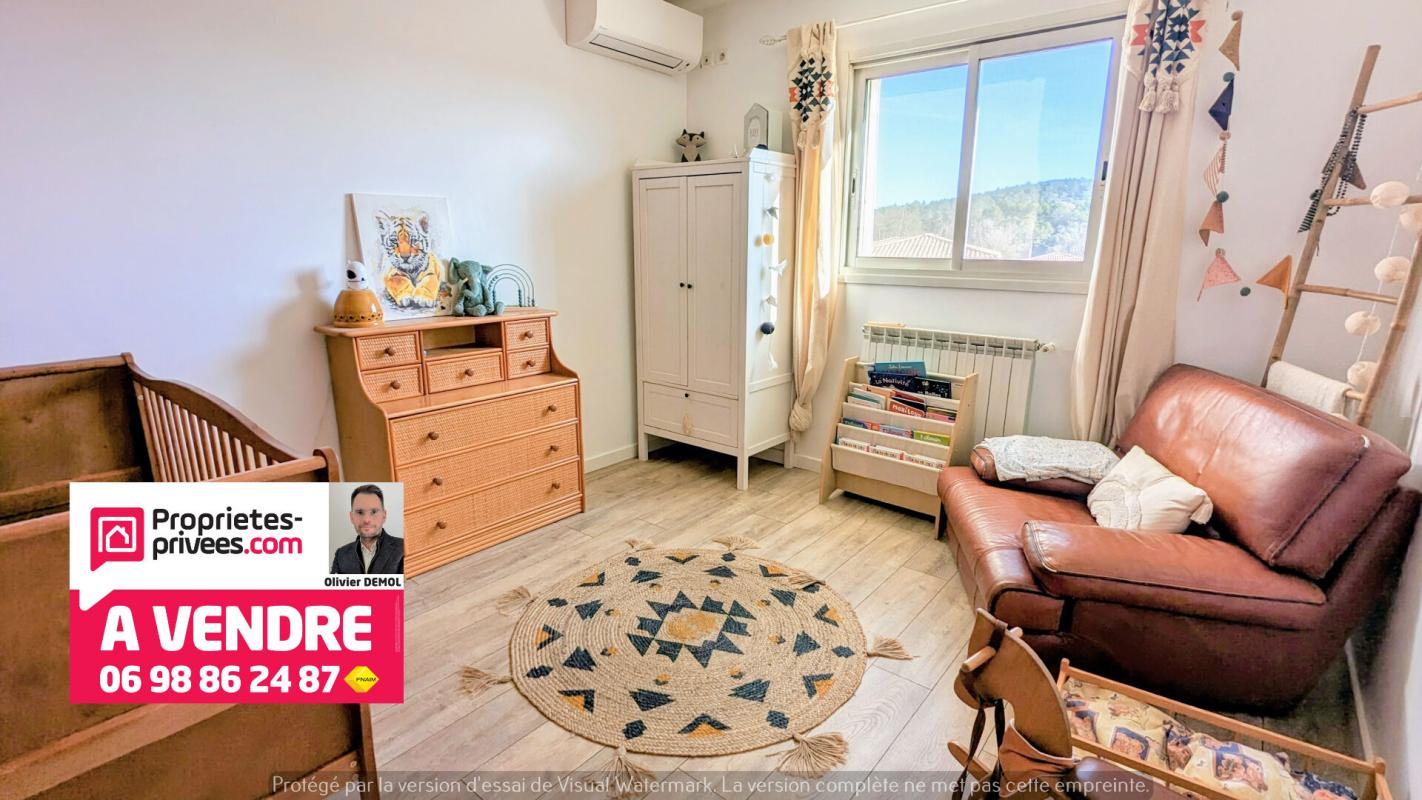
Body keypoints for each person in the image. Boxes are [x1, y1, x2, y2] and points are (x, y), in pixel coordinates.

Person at [330, 484, 404, 575]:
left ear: (384, 516)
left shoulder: (402, 548)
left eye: (374, 512)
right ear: (351, 517)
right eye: (360, 512)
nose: (366, 520)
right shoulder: (341, 554)